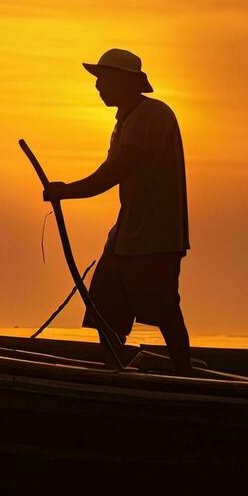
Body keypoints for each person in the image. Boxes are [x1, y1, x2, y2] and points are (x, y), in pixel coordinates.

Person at [43, 48, 192, 373]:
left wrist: (67, 191)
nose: (98, 86)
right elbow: (114, 168)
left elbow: (115, 170)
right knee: (105, 306)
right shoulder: (126, 119)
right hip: (126, 233)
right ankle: (114, 373)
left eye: (103, 79)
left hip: (156, 236)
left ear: (126, 81)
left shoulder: (152, 115)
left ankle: (185, 373)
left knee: (163, 306)